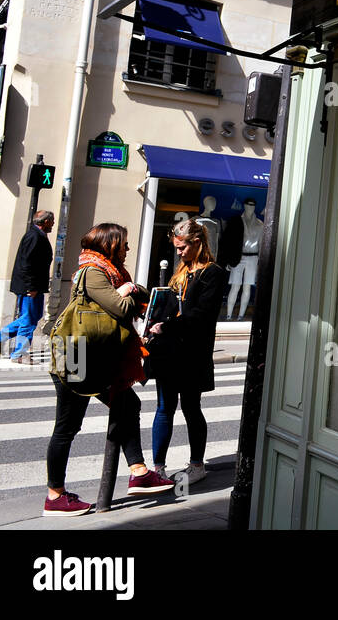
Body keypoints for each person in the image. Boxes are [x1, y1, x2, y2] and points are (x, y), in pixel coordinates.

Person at [42, 223, 175, 516]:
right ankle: (55, 495)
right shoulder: (92, 271)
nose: (127, 249)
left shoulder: (110, 272)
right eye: (124, 244)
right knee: (67, 425)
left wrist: (132, 289)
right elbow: (123, 307)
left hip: (92, 354)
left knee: (127, 403)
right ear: (110, 244)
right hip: (75, 354)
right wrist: (128, 290)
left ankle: (138, 471)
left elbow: (136, 296)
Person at [146, 219, 223, 483]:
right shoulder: (181, 271)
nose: (178, 252)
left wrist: (166, 325)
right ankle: (158, 468)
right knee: (164, 408)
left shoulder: (212, 273)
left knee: (191, 407)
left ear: (197, 243)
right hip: (169, 351)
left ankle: (197, 464)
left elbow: (200, 316)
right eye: (176, 248)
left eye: (182, 247)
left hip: (193, 352)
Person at [0, 210, 54, 362]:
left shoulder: (38, 236)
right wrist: (30, 287)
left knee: (34, 315)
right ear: (45, 222)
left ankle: (1, 336)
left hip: (35, 286)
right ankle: (20, 353)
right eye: (51, 221)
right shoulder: (34, 236)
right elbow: (27, 263)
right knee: (28, 319)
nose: (53, 224)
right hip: (30, 287)